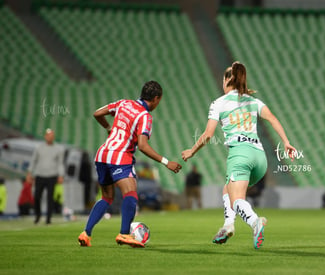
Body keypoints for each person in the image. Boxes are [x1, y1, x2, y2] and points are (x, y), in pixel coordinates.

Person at [182, 62, 296, 249]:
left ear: (228, 80)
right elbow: (273, 119)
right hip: (259, 158)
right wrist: (286, 142)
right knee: (227, 190)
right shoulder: (253, 101)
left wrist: (192, 150)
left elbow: (208, 134)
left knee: (237, 201)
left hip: (240, 155)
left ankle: (254, 222)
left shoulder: (219, 103)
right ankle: (228, 226)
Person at [78, 80, 182, 248]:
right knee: (131, 192)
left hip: (102, 154)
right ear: (156, 99)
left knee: (107, 197)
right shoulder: (145, 116)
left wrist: (108, 128)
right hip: (120, 156)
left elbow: (97, 113)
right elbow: (142, 145)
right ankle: (124, 233)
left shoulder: (123, 103)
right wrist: (166, 161)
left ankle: (86, 233)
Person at [27, 128, 65, 224]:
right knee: (36, 197)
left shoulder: (58, 149)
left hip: (52, 176)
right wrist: (29, 173)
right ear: (45, 136)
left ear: (54, 137)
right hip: (40, 175)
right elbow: (33, 161)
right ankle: (38, 215)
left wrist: (61, 175)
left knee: (50, 198)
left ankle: (48, 218)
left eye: (52, 136)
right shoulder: (39, 148)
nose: (50, 138)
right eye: (48, 136)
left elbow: (60, 163)